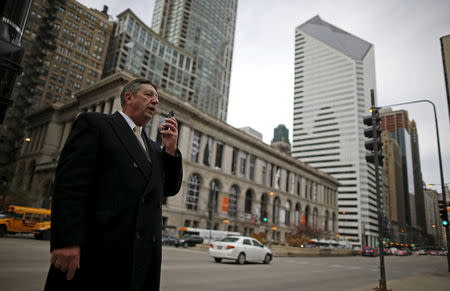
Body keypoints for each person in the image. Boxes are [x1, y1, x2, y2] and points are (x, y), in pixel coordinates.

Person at [44, 79, 183, 291]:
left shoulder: (155, 149)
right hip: (99, 252)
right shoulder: (96, 124)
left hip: (141, 259)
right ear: (129, 97)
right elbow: (71, 184)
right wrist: (67, 240)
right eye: (148, 95)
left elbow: (169, 189)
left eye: (157, 98)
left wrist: (171, 150)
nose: (155, 101)